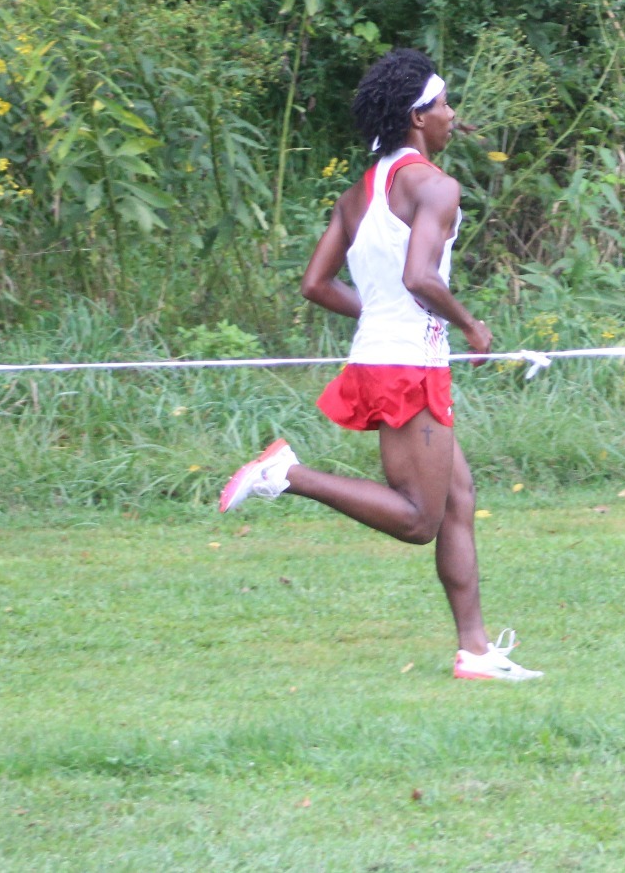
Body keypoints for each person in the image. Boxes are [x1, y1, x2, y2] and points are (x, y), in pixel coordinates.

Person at [217, 47, 541, 682]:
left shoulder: (357, 194)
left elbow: (315, 284)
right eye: (443, 104)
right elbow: (420, 276)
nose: (452, 114)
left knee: (458, 499)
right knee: (419, 519)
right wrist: (470, 324)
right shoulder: (435, 186)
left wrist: (382, 313)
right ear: (418, 117)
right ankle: (286, 474)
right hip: (409, 365)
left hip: (381, 355)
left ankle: (475, 651)